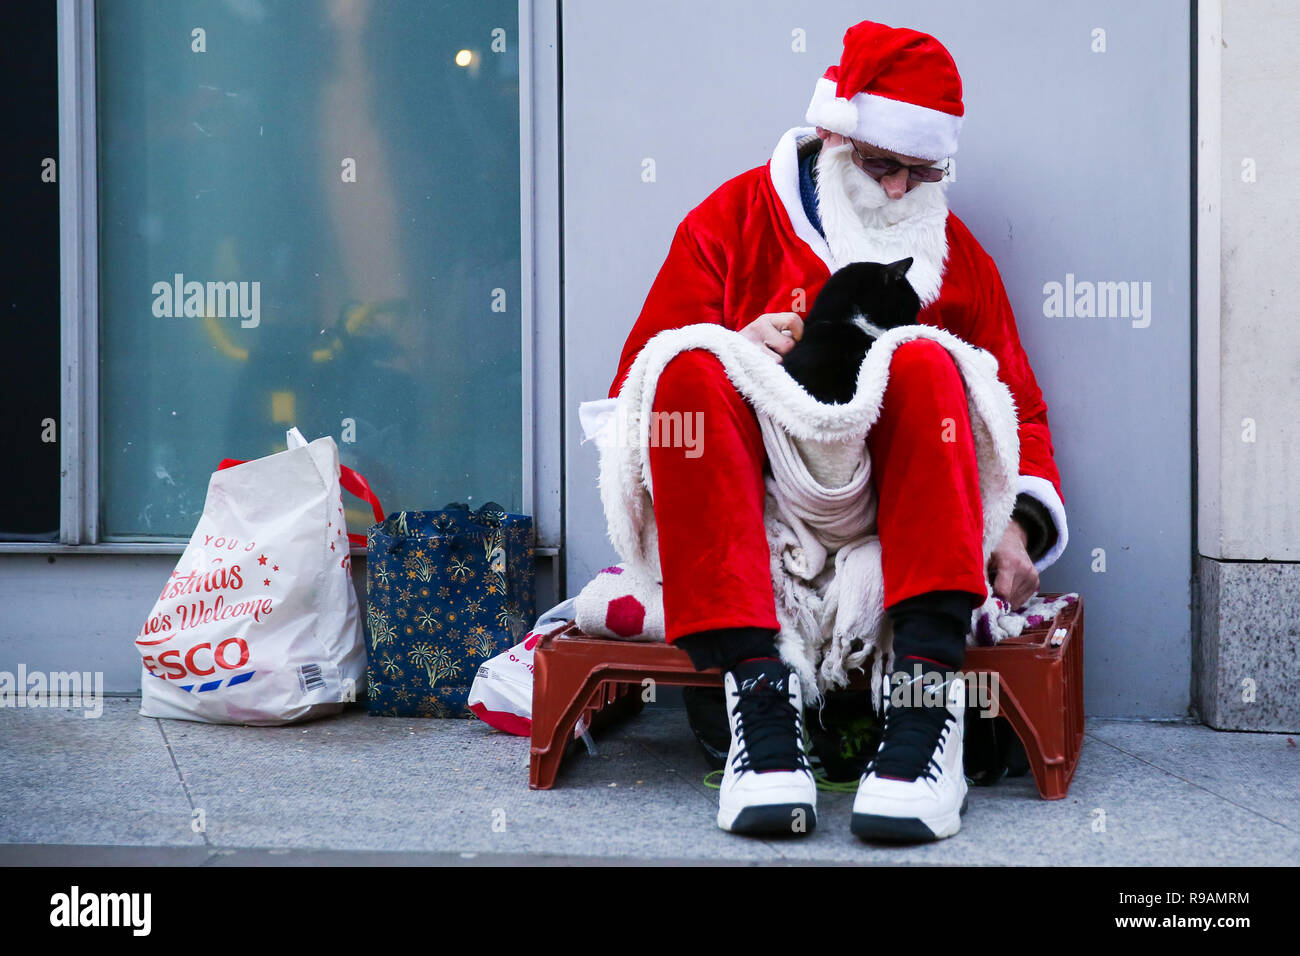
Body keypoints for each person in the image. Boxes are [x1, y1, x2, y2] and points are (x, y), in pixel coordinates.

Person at [607, 20, 1067, 842]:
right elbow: (639, 394)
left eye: (920, 173)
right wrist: (736, 349)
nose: (899, 193)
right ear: (832, 138)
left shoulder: (956, 257)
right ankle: (762, 713)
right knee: (687, 365)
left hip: (897, 523)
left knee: (925, 360)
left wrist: (1019, 526)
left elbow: (1019, 412)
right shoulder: (731, 220)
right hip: (762, 519)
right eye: (883, 167)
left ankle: (927, 715)